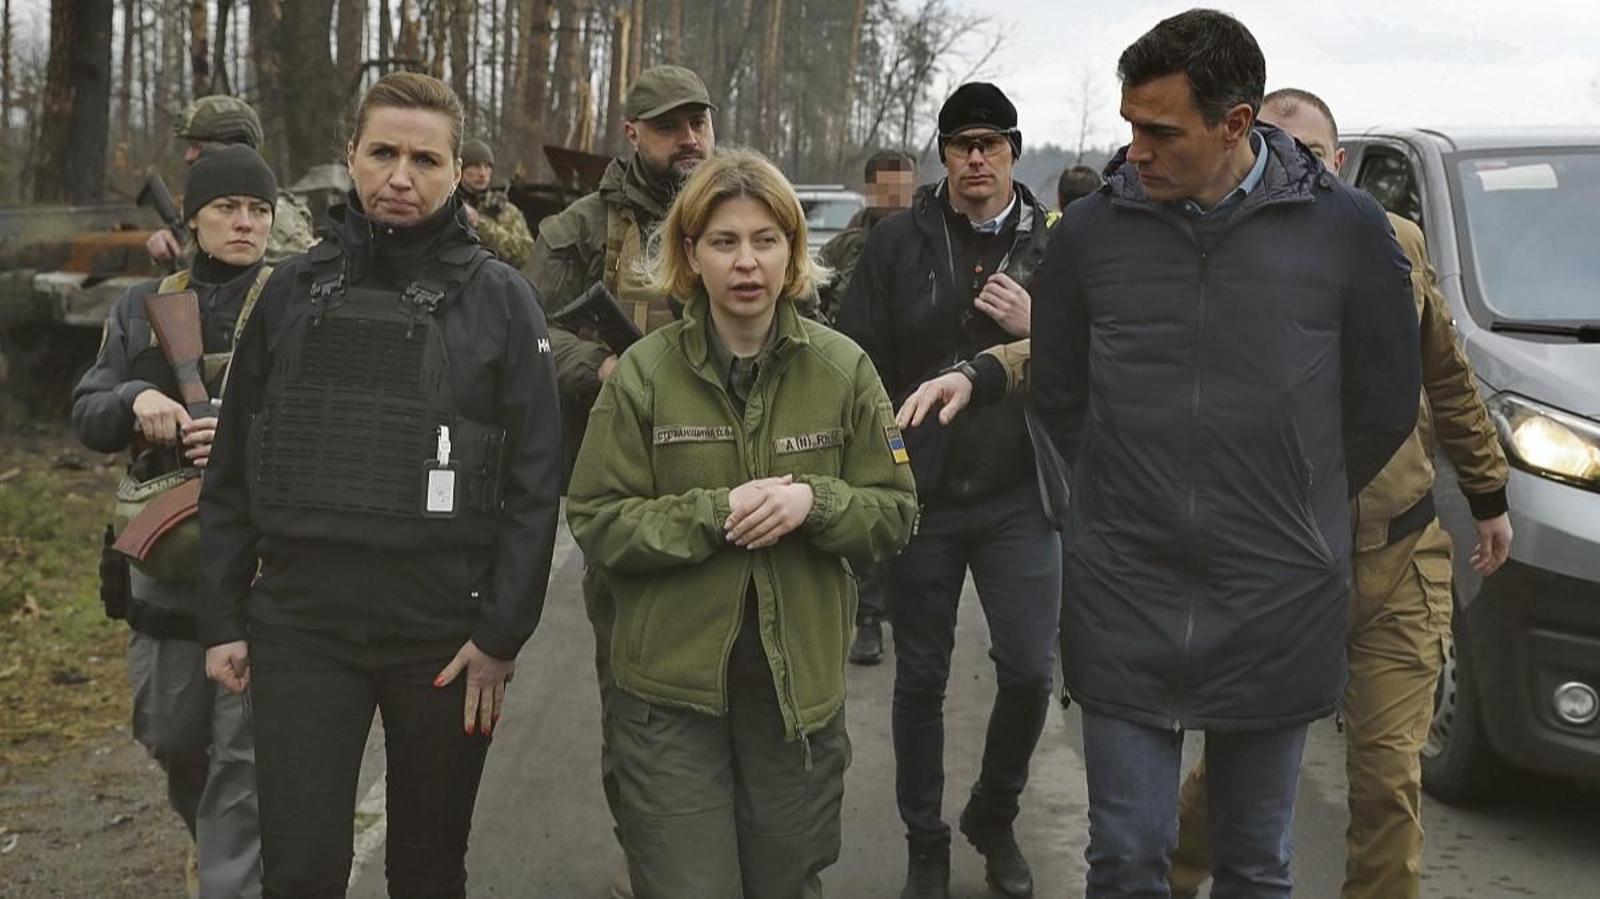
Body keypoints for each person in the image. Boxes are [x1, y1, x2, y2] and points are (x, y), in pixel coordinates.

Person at [1028, 11, 1421, 897]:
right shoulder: (1089, 236)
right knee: (1126, 855)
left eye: (1161, 131)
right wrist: (1107, 515)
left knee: (1254, 862)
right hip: (1125, 591)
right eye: (1130, 126)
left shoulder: (1350, 233)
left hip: (1276, 592)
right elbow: (1057, 399)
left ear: (1236, 124)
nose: (1137, 150)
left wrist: (1295, 499)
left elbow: (1384, 402)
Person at [196, 72, 562, 898]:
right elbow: (230, 471)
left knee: (428, 868)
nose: (402, 175)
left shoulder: (504, 302)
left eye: (426, 158)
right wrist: (221, 614)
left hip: (442, 633)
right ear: (350, 156)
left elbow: (538, 485)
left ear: (455, 167)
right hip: (301, 627)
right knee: (301, 868)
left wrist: (502, 634)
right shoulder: (286, 292)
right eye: (384, 152)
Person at [1162, 87, 1513, 899]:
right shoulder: (1223, 249)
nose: (1297, 167)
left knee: (1389, 779)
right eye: (1277, 150)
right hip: (1283, 564)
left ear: (1339, 162)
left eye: (1313, 154)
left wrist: (1488, 492)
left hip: (1398, 558)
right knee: (1237, 774)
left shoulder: (1395, 244)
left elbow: (1449, 377)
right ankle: (1167, 878)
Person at [566, 146, 917, 899]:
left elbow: (895, 510)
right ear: (691, 254)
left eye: (766, 240)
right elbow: (597, 518)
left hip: (795, 704)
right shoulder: (643, 374)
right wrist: (713, 513)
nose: (747, 262)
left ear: (793, 250)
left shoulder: (844, 369)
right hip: (669, 699)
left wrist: (813, 503)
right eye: (725, 242)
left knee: (785, 882)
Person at [838, 82, 1062, 899]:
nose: (976, 157)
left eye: (991, 143)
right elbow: (857, 359)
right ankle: (924, 841)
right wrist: (881, 462)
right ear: (943, 154)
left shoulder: (1054, 247)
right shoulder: (898, 242)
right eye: (962, 143)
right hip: (920, 493)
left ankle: (992, 814)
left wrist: (1039, 322)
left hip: (1018, 493)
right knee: (921, 675)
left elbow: (1093, 359)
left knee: (1032, 669)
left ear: (1011, 150)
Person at [522, 62, 717, 899]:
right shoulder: (575, 229)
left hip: (731, 483)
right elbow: (525, 332)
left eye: (699, 122)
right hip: (626, 488)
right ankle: (651, 866)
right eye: (671, 126)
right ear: (632, 135)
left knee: (736, 689)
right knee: (637, 695)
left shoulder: (734, 211)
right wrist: (598, 366)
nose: (691, 139)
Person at [73, 143, 278, 899]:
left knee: (244, 766)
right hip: (165, 578)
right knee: (172, 739)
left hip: (260, 572)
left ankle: (232, 877)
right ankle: (224, 850)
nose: (245, 222)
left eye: (259, 210)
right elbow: (87, 410)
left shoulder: (294, 300)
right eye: (228, 207)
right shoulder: (141, 305)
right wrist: (135, 400)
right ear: (192, 219)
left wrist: (243, 427)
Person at [813, 148, 917, 667]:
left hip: (918, 398)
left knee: (913, 505)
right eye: (887, 190)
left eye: (905, 189)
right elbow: (805, 300)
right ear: (871, 190)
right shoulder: (844, 248)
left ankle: (905, 608)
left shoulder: (930, 240)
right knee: (865, 503)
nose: (896, 200)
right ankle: (869, 617)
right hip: (857, 398)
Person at [147, 94, 316, 266]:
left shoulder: (276, 213)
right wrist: (168, 250)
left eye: (198, 147)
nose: (188, 156)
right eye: (227, 207)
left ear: (234, 147)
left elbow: (310, 270)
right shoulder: (203, 209)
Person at [457, 138, 536, 269]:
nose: (482, 173)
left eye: (487, 167)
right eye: (476, 166)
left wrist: (480, 224)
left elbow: (527, 254)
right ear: (461, 169)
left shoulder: (506, 210)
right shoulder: (445, 204)